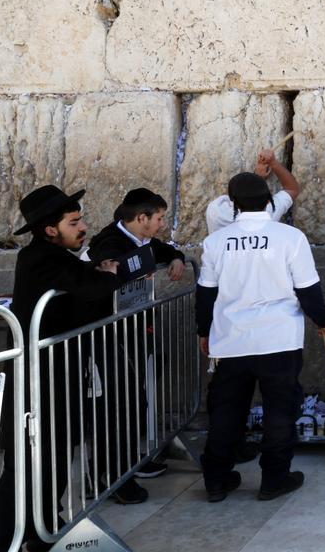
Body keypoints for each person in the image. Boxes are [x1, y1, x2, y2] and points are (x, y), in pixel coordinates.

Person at [0, 186, 122, 551]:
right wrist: (108, 275)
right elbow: (87, 285)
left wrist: (100, 275)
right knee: (23, 465)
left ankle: (43, 525)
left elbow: (82, 283)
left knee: (56, 455)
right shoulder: (41, 259)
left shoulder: (55, 256)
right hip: (37, 379)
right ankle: (5, 541)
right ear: (50, 229)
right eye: (74, 222)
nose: (83, 228)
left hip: (56, 375)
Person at [196, 172, 325, 502]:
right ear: (269, 200)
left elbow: (206, 294)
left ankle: (215, 480)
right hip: (278, 339)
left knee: (226, 411)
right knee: (280, 411)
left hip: (232, 340)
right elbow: (307, 288)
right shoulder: (290, 237)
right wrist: (322, 321)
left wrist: (204, 332)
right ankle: (274, 478)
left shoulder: (216, 242)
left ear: (234, 204)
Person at [82, 188, 187, 495]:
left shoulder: (142, 239)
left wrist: (177, 258)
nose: (162, 224)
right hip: (106, 337)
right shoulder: (110, 242)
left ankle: (127, 462)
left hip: (132, 334)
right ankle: (108, 477)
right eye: (159, 218)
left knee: (134, 401)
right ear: (142, 218)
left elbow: (163, 251)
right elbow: (107, 265)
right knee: (115, 407)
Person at [206, 148, 301, 234]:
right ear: (268, 201)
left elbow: (239, 196)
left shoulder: (215, 211)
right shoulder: (268, 213)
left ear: (231, 199)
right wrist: (273, 163)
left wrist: (257, 179)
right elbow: (292, 189)